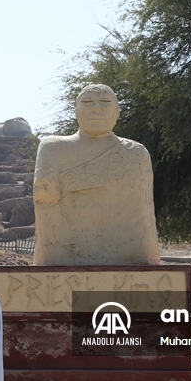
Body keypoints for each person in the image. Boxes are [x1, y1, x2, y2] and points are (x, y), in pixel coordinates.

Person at [32, 83, 160, 266]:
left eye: (106, 101)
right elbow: (45, 205)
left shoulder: (135, 153)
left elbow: (143, 221)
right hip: (64, 259)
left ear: (117, 110)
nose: (97, 108)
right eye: (87, 101)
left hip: (127, 263)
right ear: (76, 110)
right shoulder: (52, 148)